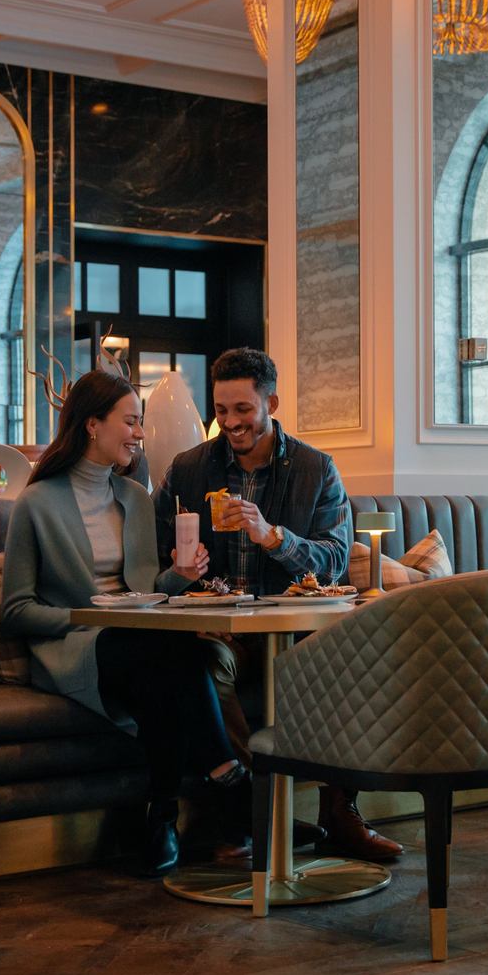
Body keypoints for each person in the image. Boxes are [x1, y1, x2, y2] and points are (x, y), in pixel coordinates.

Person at [155, 346, 403, 863]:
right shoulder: (188, 470)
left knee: (344, 657)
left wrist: (272, 536)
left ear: (271, 403)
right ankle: (249, 810)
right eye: (221, 410)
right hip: (221, 632)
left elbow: (334, 561)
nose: (230, 423)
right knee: (200, 667)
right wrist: (185, 578)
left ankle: (340, 812)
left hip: (295, 631)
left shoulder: (317, 469)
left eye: (243, 409)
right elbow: (158, 560)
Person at [1, 369, 244, 877]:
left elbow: (147, 590)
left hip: (140, 639)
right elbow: (17, 611)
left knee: (169, 662)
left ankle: (163, 815)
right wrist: (91, 615)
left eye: (140, 422)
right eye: (131, 421)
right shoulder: (36, 503)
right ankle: (229, 782)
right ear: (92, 424)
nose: (139, 433)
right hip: (75, 645)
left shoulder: (134, 498)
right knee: (171, 654)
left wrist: (179, 577)